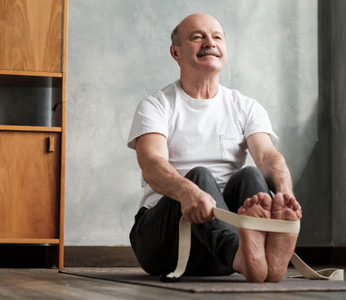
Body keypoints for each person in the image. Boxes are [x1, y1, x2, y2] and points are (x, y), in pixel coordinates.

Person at [127, 13, 302, 283]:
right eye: (197, 37)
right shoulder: (156, 105)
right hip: (165, 244)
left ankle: (259, 255)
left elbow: (267, 157)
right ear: (176, 52)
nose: (210, 42)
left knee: (250, 175)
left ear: (224, 49)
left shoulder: (245, 106)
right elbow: (152, 164)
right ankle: (247, 256)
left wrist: (285, 195)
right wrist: (188, 191)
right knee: (199, 176)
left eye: (217, 37)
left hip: (219, 251)